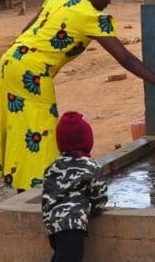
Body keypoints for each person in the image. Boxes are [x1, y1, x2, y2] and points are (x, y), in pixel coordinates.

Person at [0, 0, 155, 191]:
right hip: (32, 74)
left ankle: (24, 191)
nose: (109, 1)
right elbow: (125, 59)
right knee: (40, 132)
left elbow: (27, 31)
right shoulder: (91, 16)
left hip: (10, 62)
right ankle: (38, 194)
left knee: (21, 129)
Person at [42, 111, 107, 262]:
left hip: (53, 226)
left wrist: (48, 220)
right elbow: (100, 194)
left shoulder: (53, 167)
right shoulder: (90, 166)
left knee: (60, 256)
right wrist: (96, 210)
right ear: (87, 140)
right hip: (73, 227)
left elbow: (46, 197)